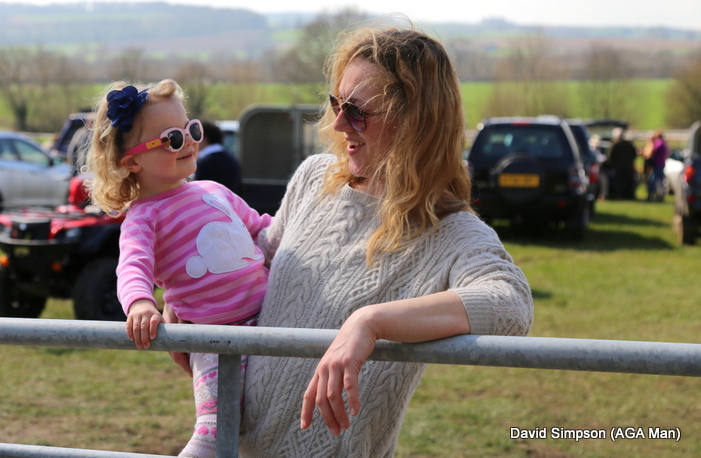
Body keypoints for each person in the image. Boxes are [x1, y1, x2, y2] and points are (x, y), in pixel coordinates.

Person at [170, 25, 530, 457]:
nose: (339, 123)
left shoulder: (451, 229)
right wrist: (191, 294)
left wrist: (370, 322)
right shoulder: (313, 179)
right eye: (336, 103)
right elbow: (259, 264)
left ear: (416, 121)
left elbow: (511, 304)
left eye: (358, 111)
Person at [82, 79, 272, 458]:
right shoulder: (145, 217)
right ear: (132, 161)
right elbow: (133, 266)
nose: (189, 142)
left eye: (192, 130)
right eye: (172, 138)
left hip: (272, 316)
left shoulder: (215, 190)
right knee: (216, 431)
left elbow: (262, 230)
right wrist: (140, 304)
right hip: (216, 340)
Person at [194, 120, 242, 195]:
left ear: (204, 138)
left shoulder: (204, 163)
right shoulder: (232, 160)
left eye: (196, 136)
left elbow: (197, 194)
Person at [607, 127, 638, 200]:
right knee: (629, 182)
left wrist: (612, 164)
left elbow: (611, 157)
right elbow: (634, 154)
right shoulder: (628, 144)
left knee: (620, 182)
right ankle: (630, 196)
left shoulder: (615, 145)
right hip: (628, 166)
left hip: (619, 167)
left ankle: (620, 196)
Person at [646, 129, 669, 202]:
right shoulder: (664, 143)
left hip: (657, 164)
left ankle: (653, 195)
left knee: (654, 180)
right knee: (660, 180)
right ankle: (660, 195)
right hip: (661, 164)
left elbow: (654, 151)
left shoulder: (659, 142)